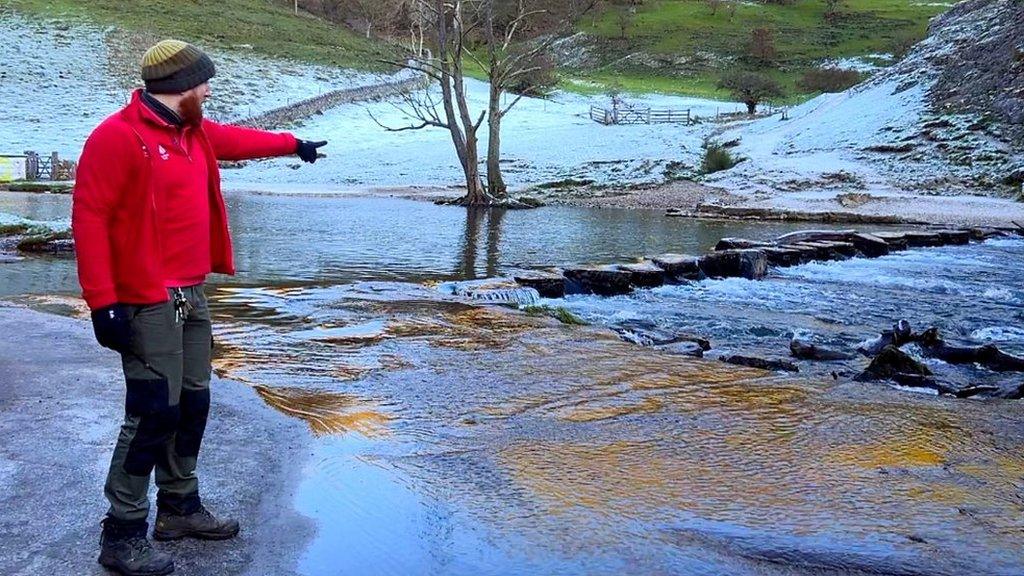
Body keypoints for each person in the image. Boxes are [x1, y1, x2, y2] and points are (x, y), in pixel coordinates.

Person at [72, 39, 328, 576]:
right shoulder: (116, 138)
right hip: (145, 298)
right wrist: (103, 303)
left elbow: (238, 140)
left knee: (192, 403)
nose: (208, 91)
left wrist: (293, 144)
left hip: (191, 291)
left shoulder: (195, 131)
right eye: (202, 83)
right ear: (177, 88)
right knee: (152, 410)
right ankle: (121, 533)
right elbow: (90, 219)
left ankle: (180, 508)